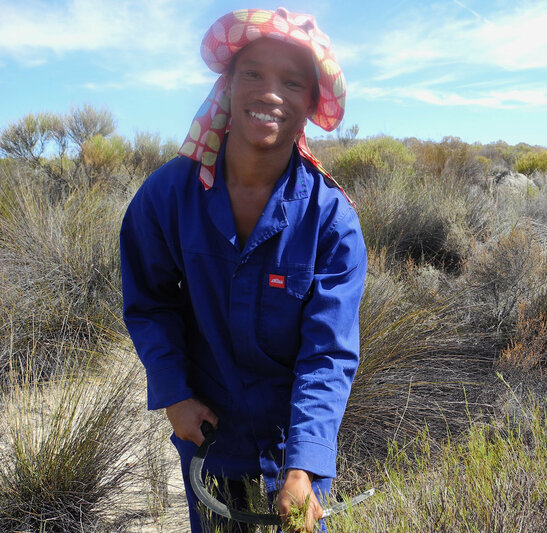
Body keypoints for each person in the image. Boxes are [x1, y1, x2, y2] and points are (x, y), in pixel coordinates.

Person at [120, 8, 366, 532]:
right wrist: (176, 397)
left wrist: (304, 466)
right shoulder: (168, 195)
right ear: (228, 85)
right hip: (208, 440)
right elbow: (150, 302)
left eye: (292, 81)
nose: (270, 92)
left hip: (293, 454)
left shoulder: (332, 221)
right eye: (253, 73)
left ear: (309, 103)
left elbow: (329, 352)